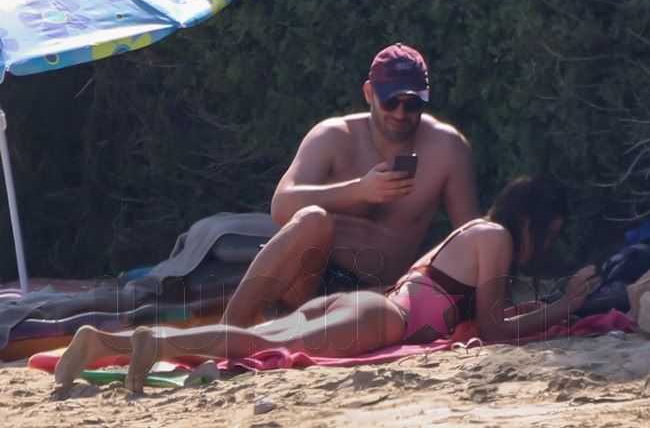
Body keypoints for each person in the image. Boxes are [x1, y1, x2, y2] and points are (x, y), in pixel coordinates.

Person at [54, 176, 598, 393]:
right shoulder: (497, 237)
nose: (543, 246)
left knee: (263, 338)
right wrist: (566, 305)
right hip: (387, 318)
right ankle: (152, 345)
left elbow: (486, 318)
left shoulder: (474, 231)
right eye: (548, 234)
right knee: (259, 342)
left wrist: (545, 306)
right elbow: (497, 330)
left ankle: (105, 343)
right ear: (532, 222)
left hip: (368, 304)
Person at [220, 43, 480, 327]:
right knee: (313, 220)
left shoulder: (447, 149)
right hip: (307, 283)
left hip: (375, 294)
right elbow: (281, 205)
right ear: (369, 93)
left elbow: (472, 238)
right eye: (391, 102)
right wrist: (359, 190)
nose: (400, 114)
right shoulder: (334, 136)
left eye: (412, 104)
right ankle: (227, 330)